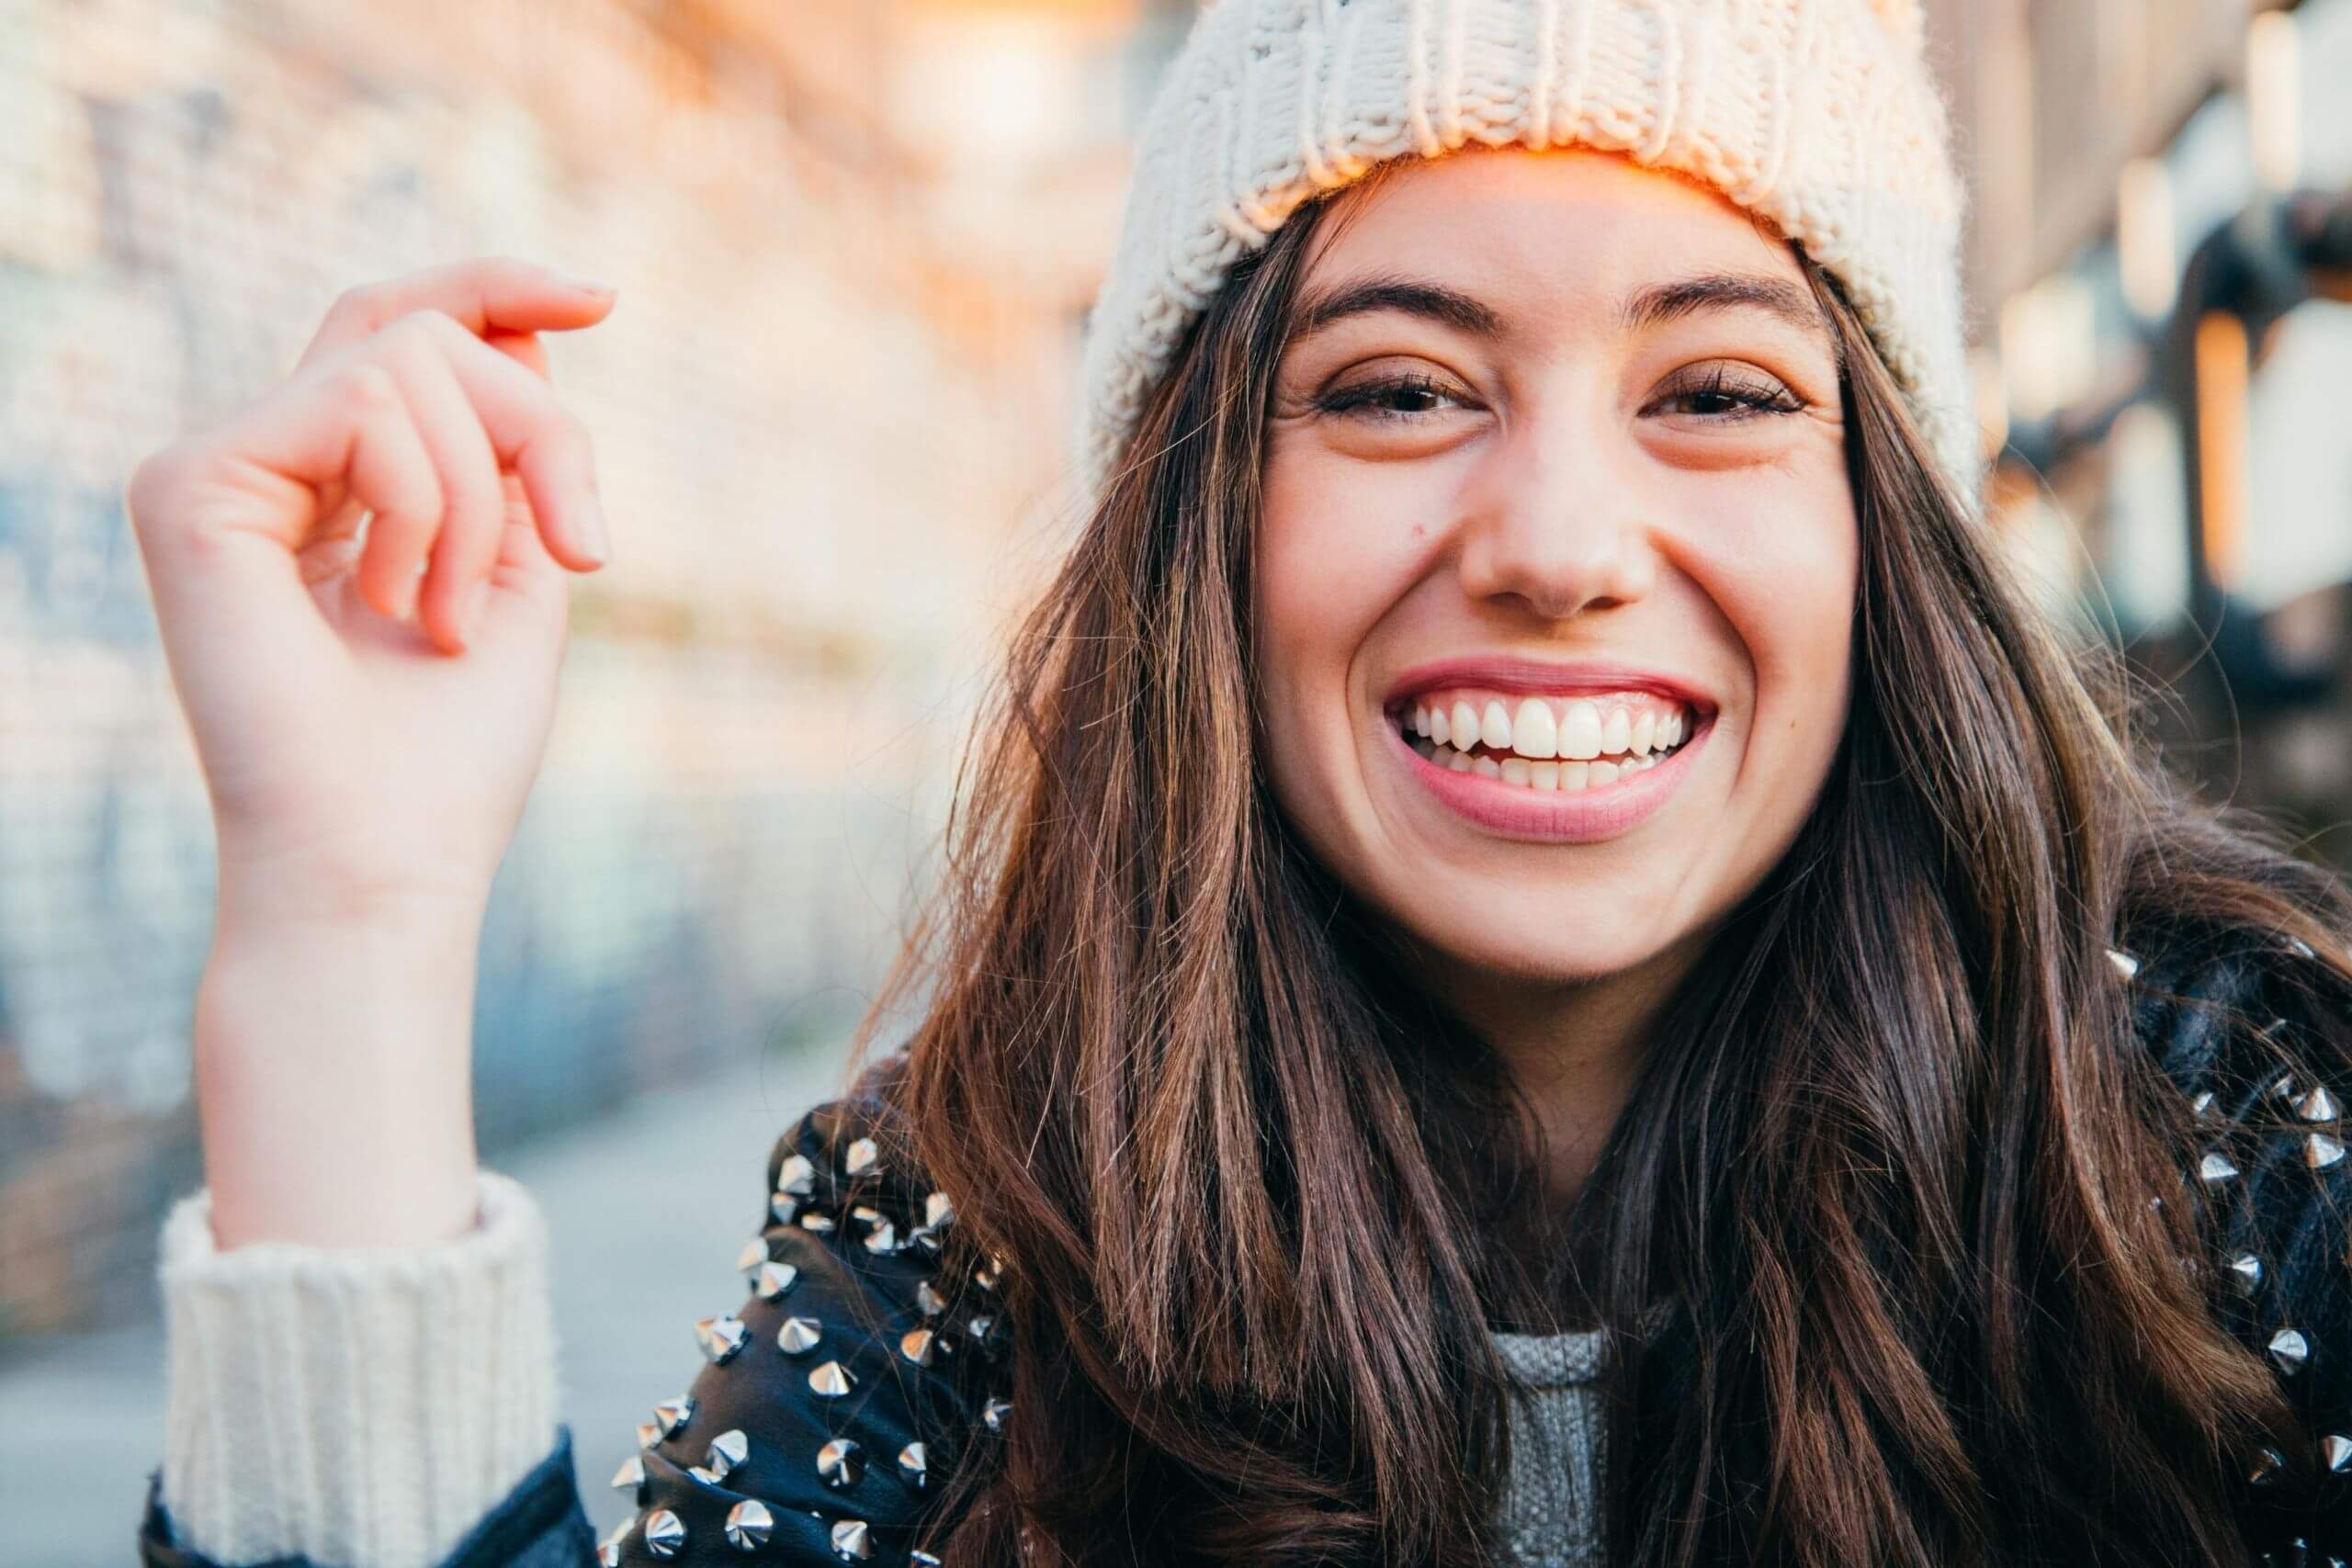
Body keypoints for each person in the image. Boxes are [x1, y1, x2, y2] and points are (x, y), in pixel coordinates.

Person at [121, 0, 2352, 1564]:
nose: (1560, 545)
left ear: (1885, 524)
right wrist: (349, 927)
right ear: (1200, 518)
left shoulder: (2227, 1138)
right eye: (1391, 388)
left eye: (1718, 390)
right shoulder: (969, 1242)